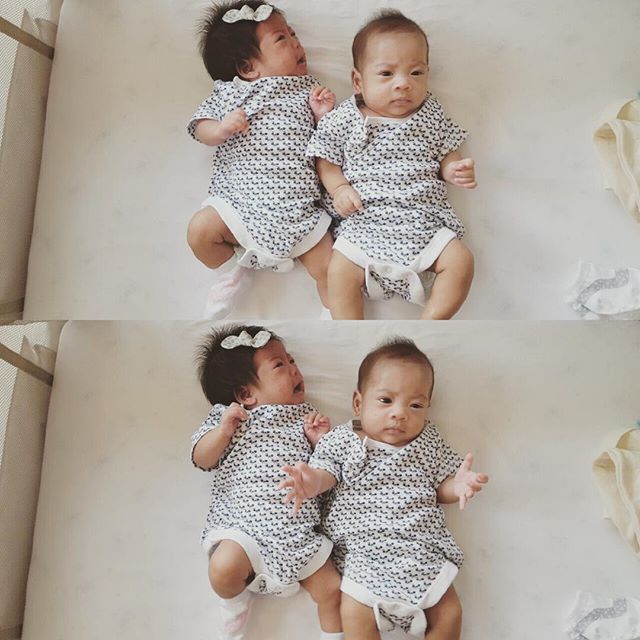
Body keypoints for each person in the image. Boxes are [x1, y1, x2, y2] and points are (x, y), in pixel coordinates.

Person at [279, 338, 488, 639]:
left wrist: (458, 485)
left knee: (450, 613)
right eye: (386, 400)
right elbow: (326, 473)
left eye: (415, 405)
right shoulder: (343, 439)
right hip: (364, 554)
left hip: (421, 549)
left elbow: (440, 489)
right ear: (358, 403)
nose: (400, 413)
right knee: (353, 612)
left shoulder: (427, 441)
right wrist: (311, 482)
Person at [307, 10, 476, 320]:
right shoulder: (346, 117)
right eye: (386, 74)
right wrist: (339, 188)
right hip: (364, 223)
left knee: (461, 260)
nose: (403, 84)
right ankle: (350, 328)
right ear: (358, 81)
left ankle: (431, 323)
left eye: (416, 73)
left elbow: (447, 149)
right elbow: (324, 157)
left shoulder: (430, 113)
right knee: (338, 271)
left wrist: (452, 169)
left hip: (422, 220)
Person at [191, 324, 343, 640]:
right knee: (222, 570)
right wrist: (222, 432)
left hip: (298, 535)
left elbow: (329, 469)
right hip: (244, 529)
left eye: (292, 360)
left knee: (332, 590)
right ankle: (235, 605)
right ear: (246, 394)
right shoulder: (230, 418)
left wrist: (320, 442)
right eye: (280, 365)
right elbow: (201, 459)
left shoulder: (307, 417)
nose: (294, 369)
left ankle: (333, 635)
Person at [186, 2, 336, 318]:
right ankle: (231, 274)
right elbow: (200, 127)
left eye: (293, 34)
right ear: (248, 68)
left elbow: (329, 142)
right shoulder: (231, 93)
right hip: (242, 205)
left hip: (299, 211)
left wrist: (323, 115)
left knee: (331, 269)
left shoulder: (309, 89)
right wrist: (221, 128)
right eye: (282, 38)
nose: (297, 43)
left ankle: (333, 311)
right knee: (200, 232)